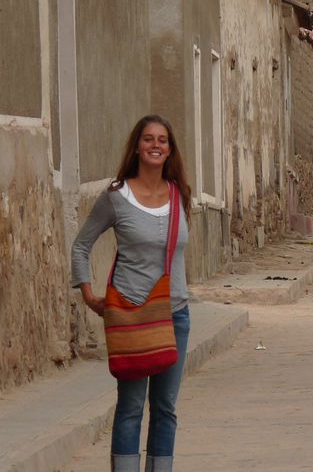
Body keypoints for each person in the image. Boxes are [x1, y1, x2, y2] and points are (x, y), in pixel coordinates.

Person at [71, 114, 192, 472]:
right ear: (137, 147)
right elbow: (81, 246)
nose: (156, 146)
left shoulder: (179, 194)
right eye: (148, 139)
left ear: (170, 150)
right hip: (132, 315)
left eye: (163, 140)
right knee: (130, 407)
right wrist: (90, 294)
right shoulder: (116, 196)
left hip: (175, 315)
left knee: (166, 408)